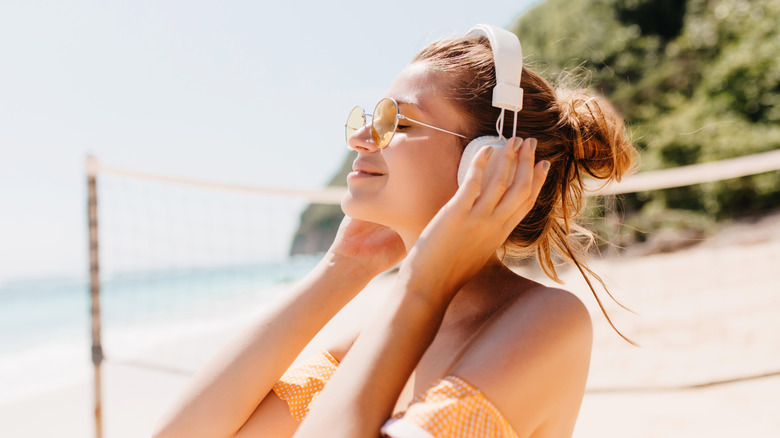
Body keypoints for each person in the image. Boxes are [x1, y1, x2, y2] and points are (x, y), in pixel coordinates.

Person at [153, 24, 635, 438]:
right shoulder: (370, 343)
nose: (360, 138)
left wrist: (423, 282)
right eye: (371, 117)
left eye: (397, 121)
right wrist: (343, 268)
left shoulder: (544, 321)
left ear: (484, 160)